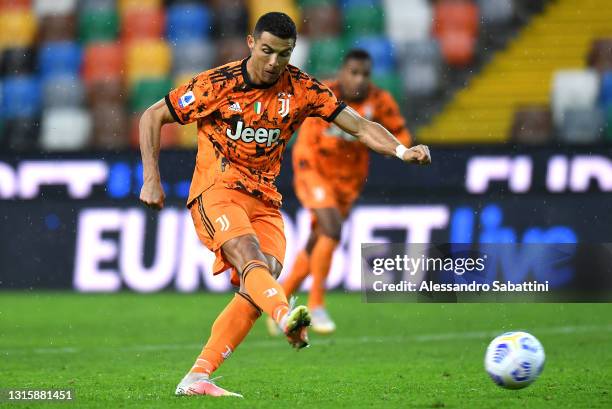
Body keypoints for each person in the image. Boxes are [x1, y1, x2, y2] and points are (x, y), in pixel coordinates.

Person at [138, 12, 431, 398]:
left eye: (285, 54)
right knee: (249, 257)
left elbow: (359, 126)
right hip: (217, 188)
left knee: (262, 279)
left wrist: (401, 149)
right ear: (250, 43)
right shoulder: (217, 84)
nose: (275, 62)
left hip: (265, 200)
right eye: (267, 51)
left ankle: (197, 377)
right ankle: (286, 316)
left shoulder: (303, 89)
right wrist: (151, 178)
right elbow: (153, 115)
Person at [268, 49, 412, 335]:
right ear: (342, 72)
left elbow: (401, 135)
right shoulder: (324, 94)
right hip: (314, 170)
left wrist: (401, 151)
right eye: (354, 73)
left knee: (318, 239)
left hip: (349, 181)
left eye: (365, 74)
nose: (359, 80)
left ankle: (277, 302)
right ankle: (317, 304)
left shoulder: (380, 101)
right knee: (332, 229)